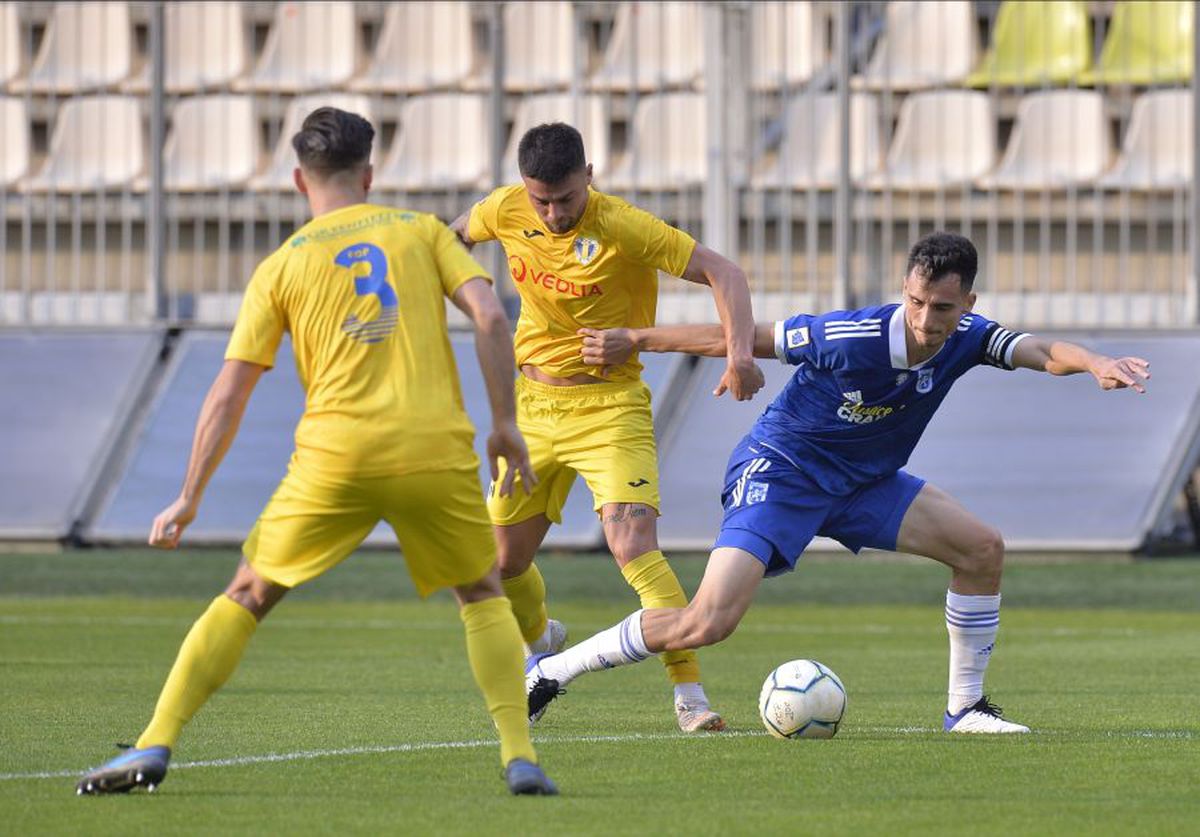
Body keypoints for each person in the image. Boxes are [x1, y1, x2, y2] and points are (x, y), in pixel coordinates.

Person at [77, 108, 558, 796]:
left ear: (301, 180)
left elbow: (229, 392)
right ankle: (519, 757)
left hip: (335, 456)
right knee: (481, 593)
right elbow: (489, 315)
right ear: (370, 174)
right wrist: (504, 423)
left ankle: (155, 743)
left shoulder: (283, 264)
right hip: (431, 448)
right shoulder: (421, 231)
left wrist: (188, 495)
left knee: (248, 592)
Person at [528, 231, 1150, 734]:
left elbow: (1041, 351)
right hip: (782, 473)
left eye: (942, 307)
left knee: (982, 549)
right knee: (707, 622)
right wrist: (637, 339)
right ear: (904, 291)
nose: (925, 318)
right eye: (916, 301)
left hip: (863, 484)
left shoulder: (970, 338)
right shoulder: (851, 336)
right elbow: (743, 337)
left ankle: (965, 709)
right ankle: (553, 671)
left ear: (968, 303)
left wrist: (1095, 363)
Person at [449, 123, 764, 732]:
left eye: (565, 198)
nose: (553, 213)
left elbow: (724, 272)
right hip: (533, 407)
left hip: (610, 408)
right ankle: (541, 642)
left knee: (633, 546)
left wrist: (740, 355)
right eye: (541, 200)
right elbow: (454, 234)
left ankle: (690, 696)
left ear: (589, 176)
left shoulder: (623, 226)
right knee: (500, 563)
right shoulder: (506, 209)